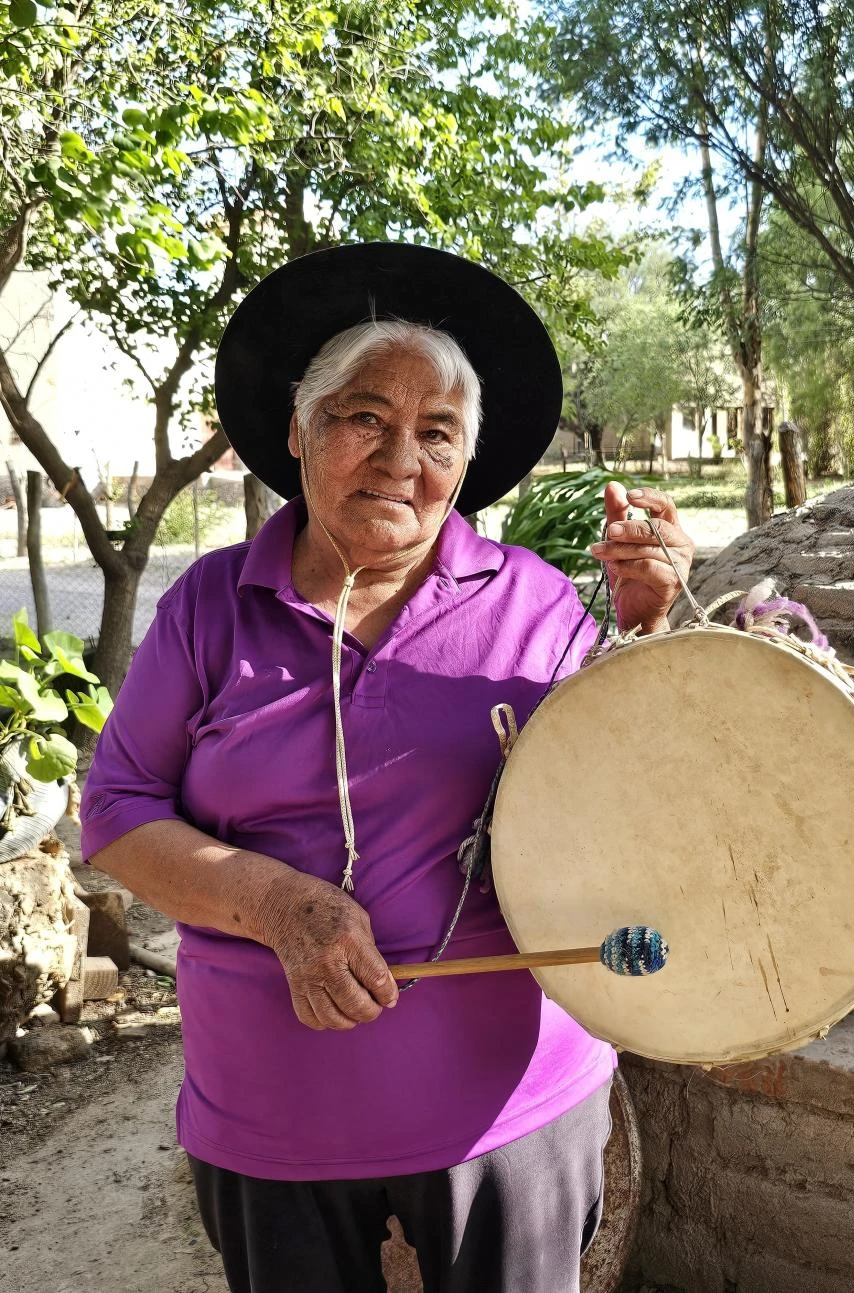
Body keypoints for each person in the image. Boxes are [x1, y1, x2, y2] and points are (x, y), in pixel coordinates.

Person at [80, 243, 694, 1293]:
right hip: (270, 1113)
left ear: (464, 461)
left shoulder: (539, 604)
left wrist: (643, 636)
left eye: (436, 433)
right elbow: (119, 812)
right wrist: (280, 907)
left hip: (509, 1109)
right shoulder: (209, 608)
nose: (400, 457)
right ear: (297, 431)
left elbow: (632, 799)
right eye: (363, 417)